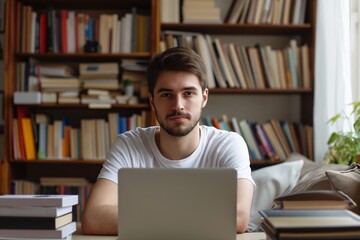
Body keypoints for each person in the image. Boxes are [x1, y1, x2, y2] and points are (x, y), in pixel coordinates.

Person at [81, 47, 255, 235]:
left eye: (188, 93)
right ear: (152, 101)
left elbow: (238, 218)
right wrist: (204, 218)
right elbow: (93, 218)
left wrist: (144, 219)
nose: (177, 105)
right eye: (166, 95)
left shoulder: (228, 145)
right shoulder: (129, 145)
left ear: (204, 98)